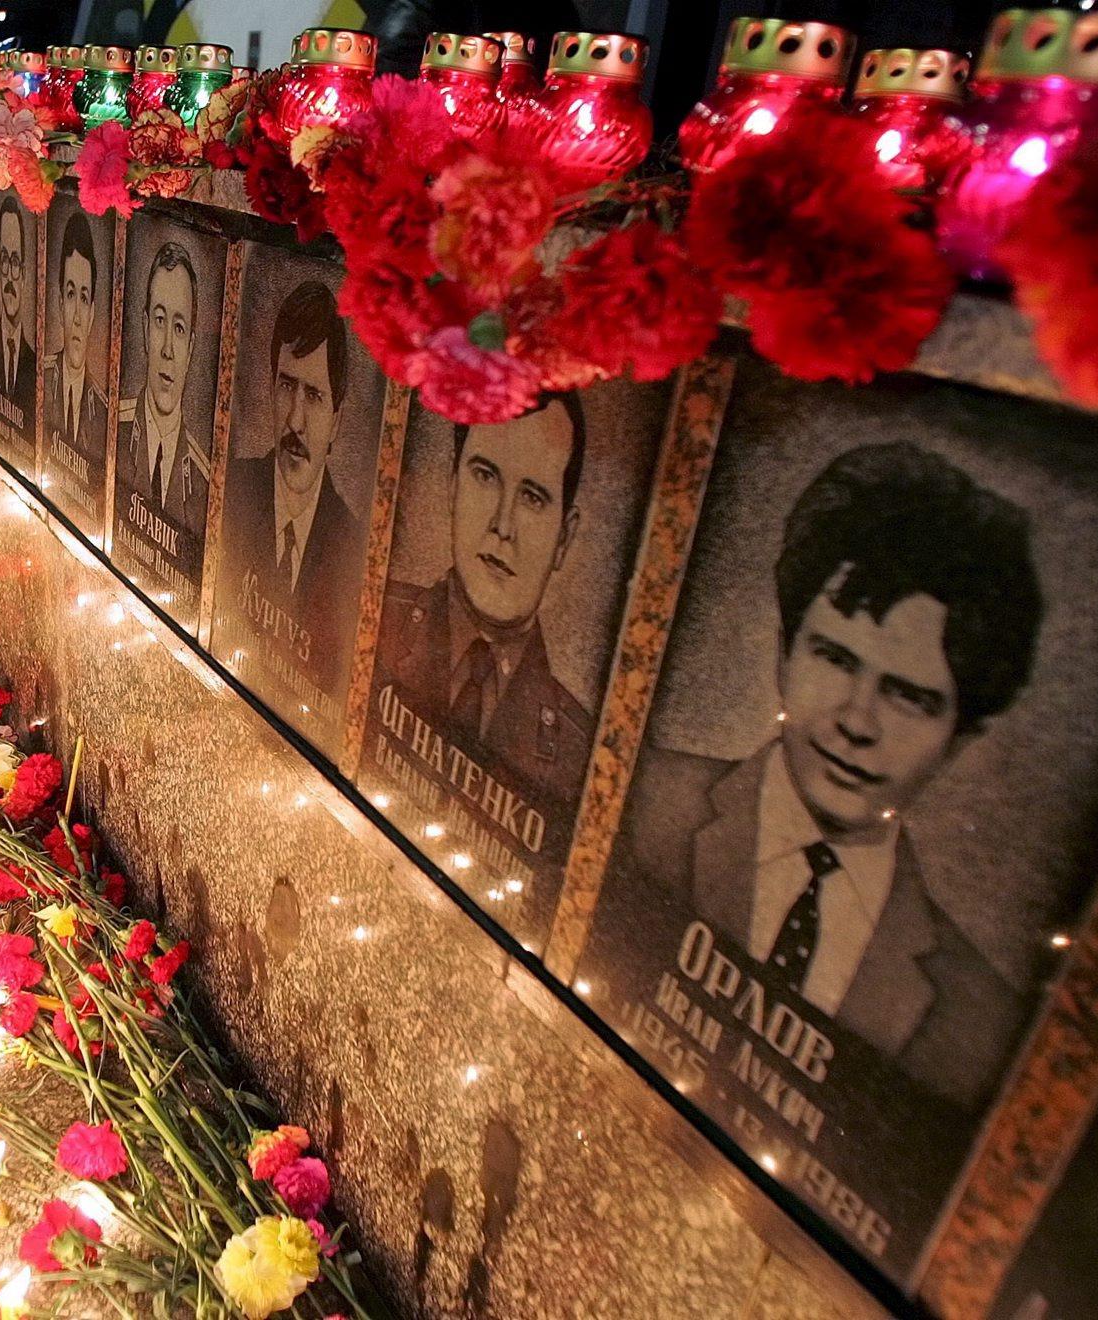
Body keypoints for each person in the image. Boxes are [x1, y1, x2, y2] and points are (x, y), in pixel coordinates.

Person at [610, 441, 1040, 1109]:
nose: (856, 721)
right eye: (835, 659)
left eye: (908, 696)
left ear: (962, 740)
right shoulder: (633, 802)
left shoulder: (978, 1022)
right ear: (785, 654)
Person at [375, 397, 595, 862]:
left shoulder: (580, 756)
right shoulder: (372, 616)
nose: (502, 526)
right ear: (454, 487)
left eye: (533, 498)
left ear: (564, 537)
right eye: (485, 476)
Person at [217, 279, 363, 693]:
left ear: (336, 418)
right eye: (287, 385)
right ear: (269, 388)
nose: (295, 420)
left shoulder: (350, 545)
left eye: (315, 395)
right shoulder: (231, 493)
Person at [115, 240, 209, 532]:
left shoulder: (201, 480)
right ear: (144, 329)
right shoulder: (114, 429)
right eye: (159, 320)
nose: (168, 348)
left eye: (179, 328)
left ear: (191, 347)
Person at [41, 210, 108, 519]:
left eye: (85, 297)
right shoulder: (40, 376)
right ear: (59, 302)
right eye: (71, 294)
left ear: (93, 310)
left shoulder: (104, 412)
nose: (78, 317)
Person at [0, 196, 35, 441]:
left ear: (24, 273)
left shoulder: (34, 364)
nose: (9, 279)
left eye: (15, 262)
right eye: (4, 261)